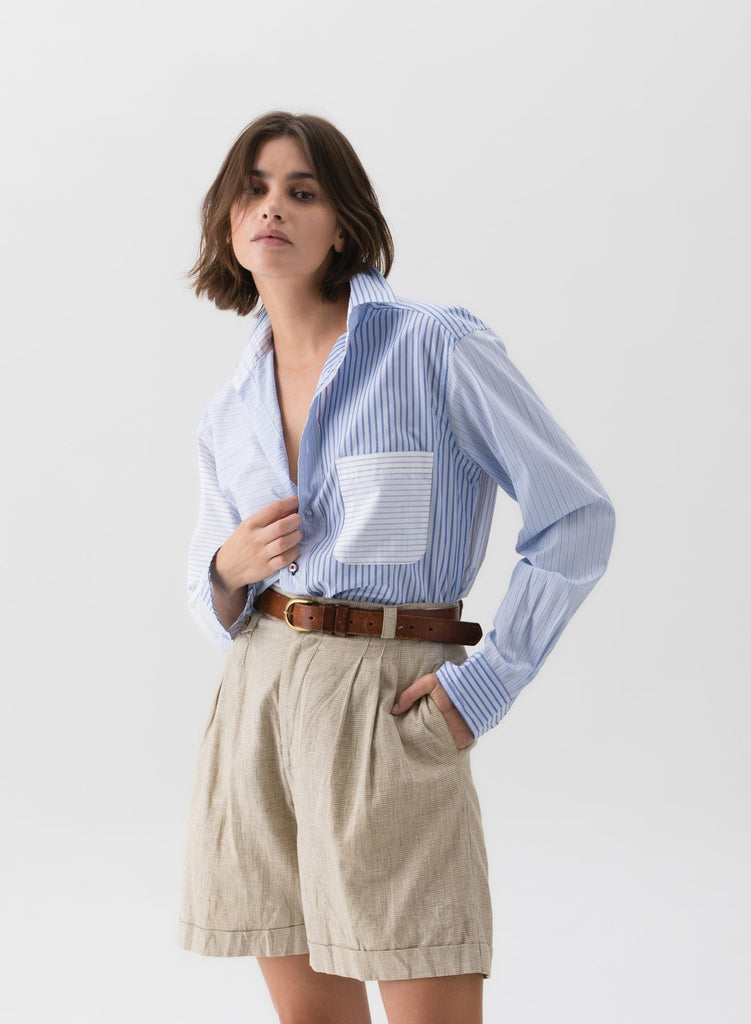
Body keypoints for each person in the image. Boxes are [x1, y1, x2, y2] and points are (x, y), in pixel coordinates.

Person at [178, 110, 615, 1024]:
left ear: (341, 225)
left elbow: (574, 515)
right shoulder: (229, 407)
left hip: (387, 703)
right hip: (258, 695)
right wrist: (225, 568)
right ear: (228, 221)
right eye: (253, 190)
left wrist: (486, 684)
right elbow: (207, 593)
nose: (272, 208)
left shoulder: (433, 347)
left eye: (301, 191)